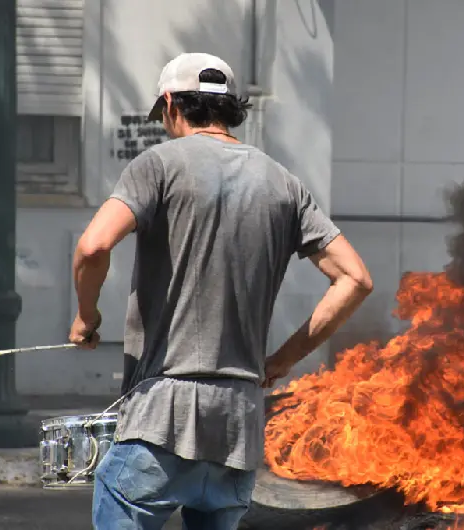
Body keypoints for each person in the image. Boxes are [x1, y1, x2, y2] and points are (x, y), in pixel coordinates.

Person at [68, 52, 373, 530]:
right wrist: (283, 360)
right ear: (230, 108)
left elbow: (91, 247)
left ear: (170, 103)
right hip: (238, 427)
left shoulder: (157, 165)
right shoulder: (285, 183)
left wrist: (86, 318)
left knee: (119, 497)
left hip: (162, 419)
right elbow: (355, 279)